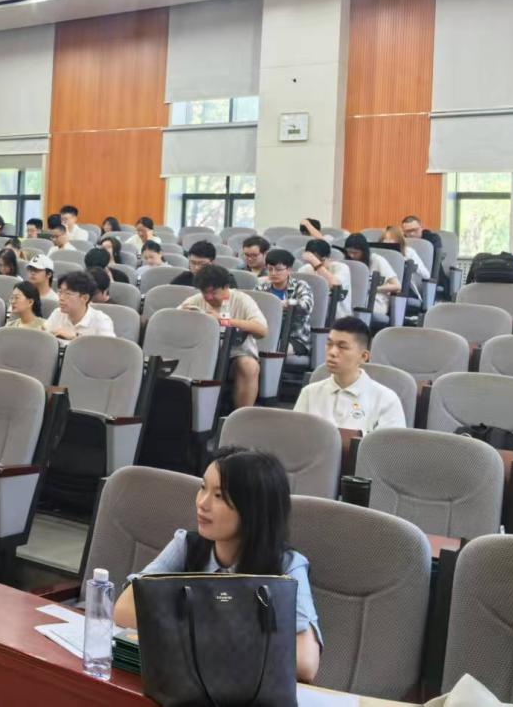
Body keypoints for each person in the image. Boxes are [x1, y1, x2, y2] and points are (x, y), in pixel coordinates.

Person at [113, 446, 322, 683]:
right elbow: (125, 609)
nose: (202, 503)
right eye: (203, 487)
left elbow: (305, 662)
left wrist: (188, 628)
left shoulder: (286, 566)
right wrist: (230, 638)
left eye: (219, 496)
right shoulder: (187, 545)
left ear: (253, 508)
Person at [293, 317, 406, 432]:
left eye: (342, 347)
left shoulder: (386, 399)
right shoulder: (309, 393)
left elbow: (390, 443)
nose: (332, 352)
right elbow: (295, 437)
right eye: (329, 344)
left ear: (363, 356)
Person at [180, 265, 268, 410]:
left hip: (235, 354)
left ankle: (241, 415)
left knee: (249, 366)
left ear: (226, 287)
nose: (208, 297)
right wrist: (183, 316)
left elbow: (261, 330)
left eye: (213, 292)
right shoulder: (195, 301)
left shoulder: (242, 300)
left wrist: (224, 321)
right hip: (201, 353)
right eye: (204, 292)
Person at [260, 249, 313, 355]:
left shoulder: (301, 285)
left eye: (278, 270)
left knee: (272, 349)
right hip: (267, 335)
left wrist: (287, 303)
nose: (273, 273)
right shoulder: (262, 287)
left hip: (294, 338)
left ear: (289, 269)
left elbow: (307, 306)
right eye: (270, 269)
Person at [341, 233, 400, 320]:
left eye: (355, 253)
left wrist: (373, 289)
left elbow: (397, 286)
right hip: (353, 297)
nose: (351, 255)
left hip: (375, 299)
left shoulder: (377, 260)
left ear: (364, 251)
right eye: (349, 252)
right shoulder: (347, 262)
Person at [45, 270, 116, 340]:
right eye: (60, 292)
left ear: (85, 298)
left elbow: (108, 347)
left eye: (68, 294)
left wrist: (76, 337)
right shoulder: (57, 313)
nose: (61, 298)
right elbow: (45, 339)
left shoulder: (101, 321)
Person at [301, 239, 352, 318]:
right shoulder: (306, 268)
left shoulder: (342, 268)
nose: (314, 264)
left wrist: (316, 263)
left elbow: (336, 287)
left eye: (320, 260)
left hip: (338, 317)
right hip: (313, 315)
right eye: (311, 260)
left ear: (329, 257)